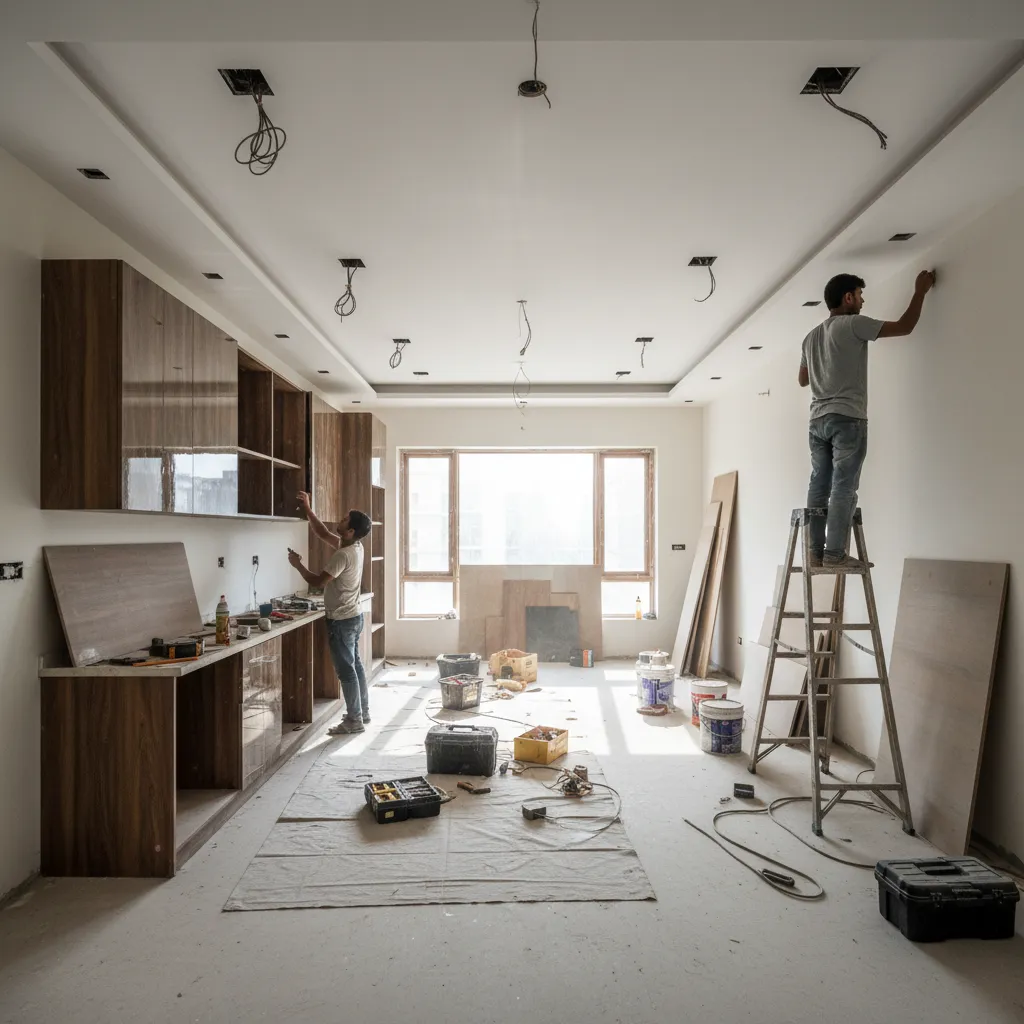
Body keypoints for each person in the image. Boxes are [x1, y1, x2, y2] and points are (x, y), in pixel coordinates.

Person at [799, 269, 936, 568]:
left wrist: (826, 368)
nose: (862, 301)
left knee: (819, 486)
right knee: (844, 488)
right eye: (860, 295)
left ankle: (815, 552)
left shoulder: (810, 338)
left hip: (817, 421)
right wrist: (920, 291)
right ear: (848, 297)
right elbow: (905, 326)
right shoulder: (853, 324)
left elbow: (802, 379)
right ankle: (835, 555)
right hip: (847, 418)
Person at [287, 492, 373, 735]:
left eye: (346, 520)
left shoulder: (343, 554)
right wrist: (308, 509)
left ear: (350, 531)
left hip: (342, 621)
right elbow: (323, 533)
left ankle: (354, 720)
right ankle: (362, 712)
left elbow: (318, 582)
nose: (341, 519)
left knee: (346, 672)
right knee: (355, 667)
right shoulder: (355, 546)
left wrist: (297, 565)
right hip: (354, 616)